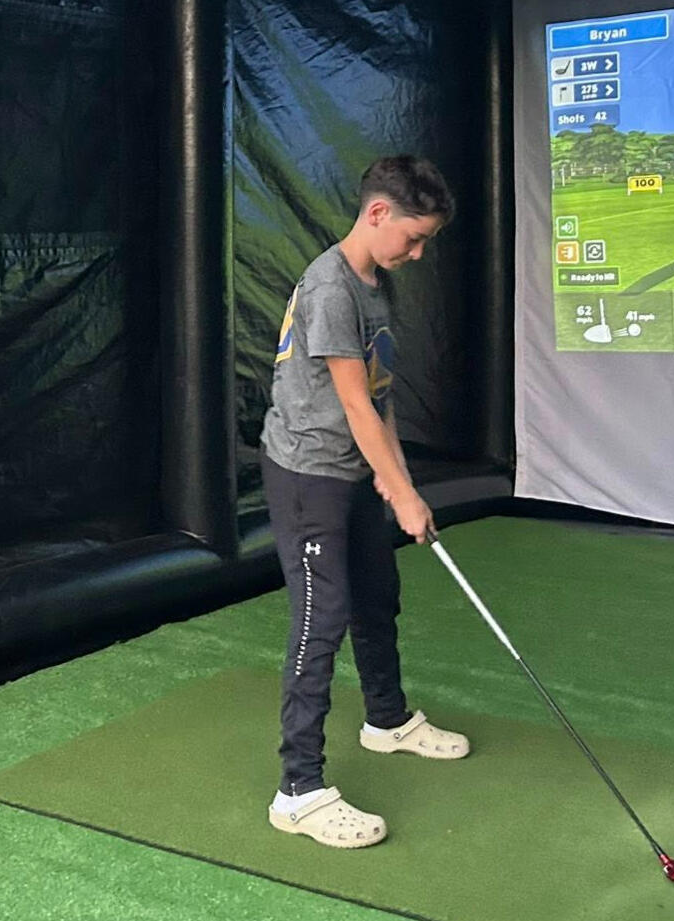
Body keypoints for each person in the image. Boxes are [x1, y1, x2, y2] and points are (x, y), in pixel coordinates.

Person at [260, 155, 468, 849]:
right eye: (414, 237)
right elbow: (352, 402)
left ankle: (387, 720)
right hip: (308, 474)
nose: (418, 253)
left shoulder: (377, 284)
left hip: (354, 468)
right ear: (378, 213)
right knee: (321, 619)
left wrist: (397, 479)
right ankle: (298, 791)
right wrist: (402, 495)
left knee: (378, 596)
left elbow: (380, 396)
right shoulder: (330, 288)